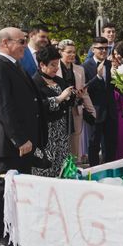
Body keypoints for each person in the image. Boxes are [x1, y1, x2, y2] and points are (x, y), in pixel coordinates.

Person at [0, 27, 47, 246]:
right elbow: (3, 108)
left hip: (23, 140)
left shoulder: (14, 64)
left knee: (19, 188)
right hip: (12, 142)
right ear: (5, 43)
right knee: (4, 189)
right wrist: (20, 139)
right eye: (21, 41)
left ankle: (15, 230)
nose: (24, 44)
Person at [33, 45, 76, 176]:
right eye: (52, 65)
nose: (56, 68)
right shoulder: (35, 82)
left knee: (61, 164)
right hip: (46, 132)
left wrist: (73, 95)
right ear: (42, 64)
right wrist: (59, 98)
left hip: (62, 129)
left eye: (57, 64)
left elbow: (68, 103)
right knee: (46, 166)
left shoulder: (59, 80)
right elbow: (39, 106)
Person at [57, 39, 96, 160]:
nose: (72, 55)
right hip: (59, 111)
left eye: (74, 52)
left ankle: (74, 168)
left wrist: (92, 111)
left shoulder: (80, 69)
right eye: (69, 52)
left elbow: (84, 93)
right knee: (61, 141)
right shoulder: (54, 68)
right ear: (60, 52)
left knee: (75, 142)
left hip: (75, 110)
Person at [83, 37, 117, 166]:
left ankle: (110, 172)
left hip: (110, 111)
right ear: (93, 49)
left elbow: (112, 87)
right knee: (94, 145)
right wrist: (97, 76)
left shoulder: (110, 64)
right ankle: (94, 172)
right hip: (95, 112)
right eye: (100, 48)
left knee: (111, 145)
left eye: (106, 48)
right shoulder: (85, 66)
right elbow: (84, 89)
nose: (103, 51)